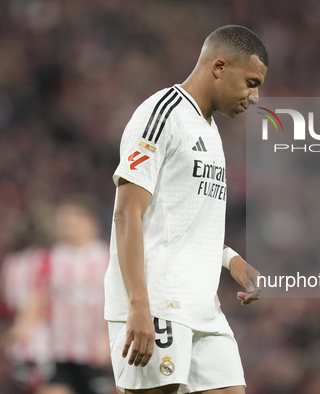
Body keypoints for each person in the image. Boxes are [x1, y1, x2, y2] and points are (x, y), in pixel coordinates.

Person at [104, 25, 267, 394]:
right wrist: (139, 305)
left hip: (202, 309)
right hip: (157, 303)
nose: (255, 97)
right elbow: (126, 213)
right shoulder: (163, 115)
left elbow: (184, 221)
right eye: (251, 82)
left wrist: (232, 262)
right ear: (220, 67)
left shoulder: (209, 131)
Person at [5, 197, 114, 394]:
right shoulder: (48, 259)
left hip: (97, 353)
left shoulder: (109, 259)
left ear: (91, 223)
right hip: (58, 352)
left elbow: (120, 302)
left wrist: (109, 338)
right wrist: (24, 326)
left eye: (73, 221)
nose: (67, 226)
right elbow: (39, 298)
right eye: (63, 222)